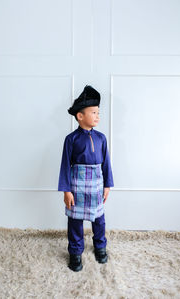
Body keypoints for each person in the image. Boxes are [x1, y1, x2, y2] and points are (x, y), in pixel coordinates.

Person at [58, 85, 114, 272]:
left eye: (98, 113)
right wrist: (66, 191)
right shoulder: (71, 139)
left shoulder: (101, 138)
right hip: (77, 185)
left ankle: (100, 246)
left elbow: (106, 162)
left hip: (97, 184)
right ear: (80, 116)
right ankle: (75, 252)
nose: (98, 116)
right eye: (94, 112)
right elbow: (65, 165)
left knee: (99, 219)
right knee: (75, 221)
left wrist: (107, 185)